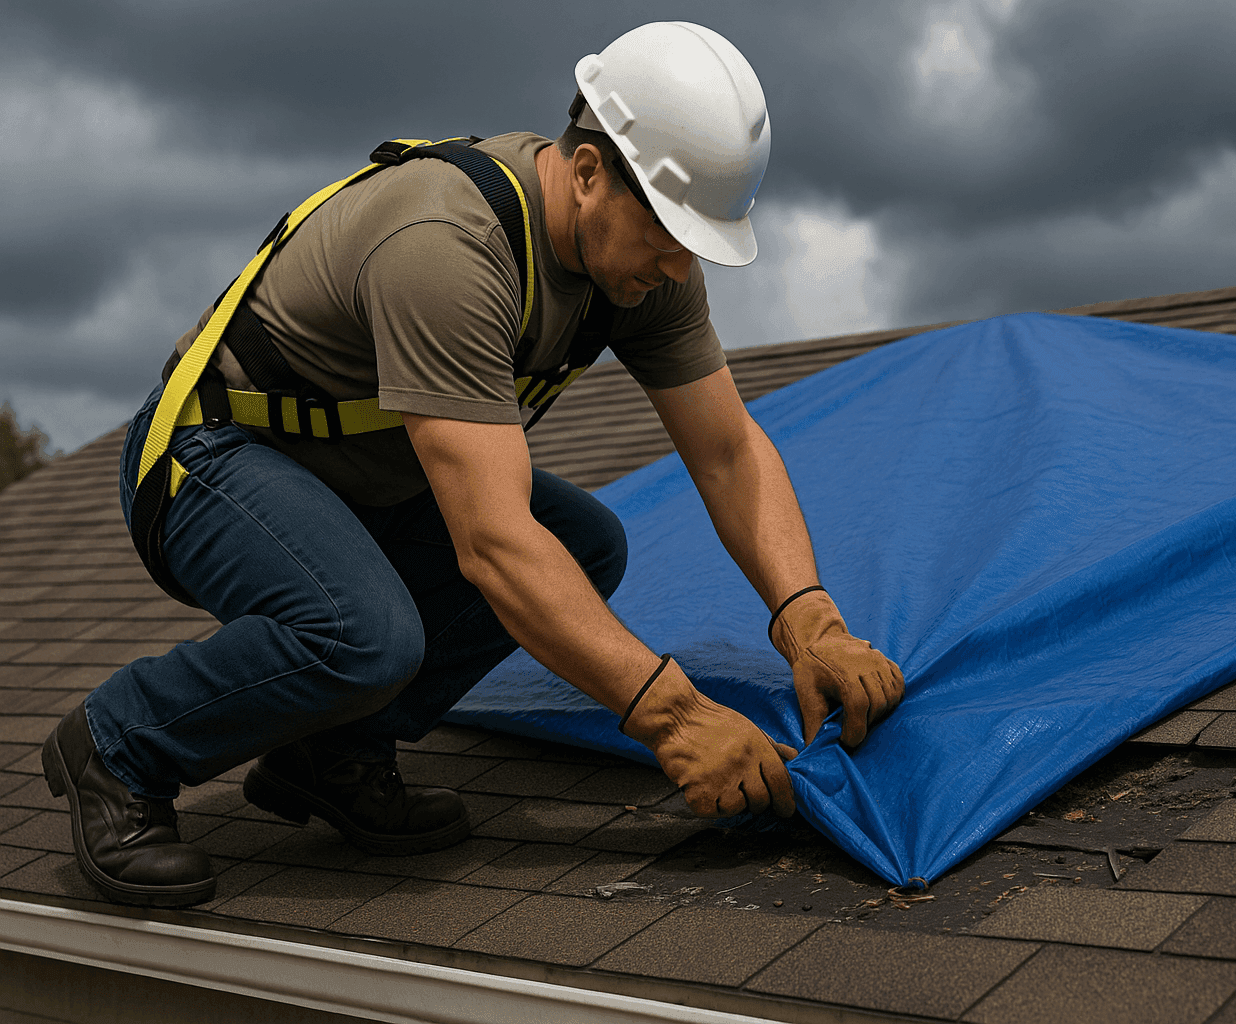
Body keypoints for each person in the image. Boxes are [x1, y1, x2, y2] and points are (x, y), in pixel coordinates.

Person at [41, 21, 904, 908]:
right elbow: (491, 544)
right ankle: (116, 746)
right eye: (670, 228)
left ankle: (328, 755)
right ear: (588, 171)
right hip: (207, 459)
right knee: (367, 635)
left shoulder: (645, 271)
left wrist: (812, 624)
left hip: (355, 479)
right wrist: (675, 718)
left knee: (588, 543)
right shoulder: (447, 247)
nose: (682, 262)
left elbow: (728, 452)